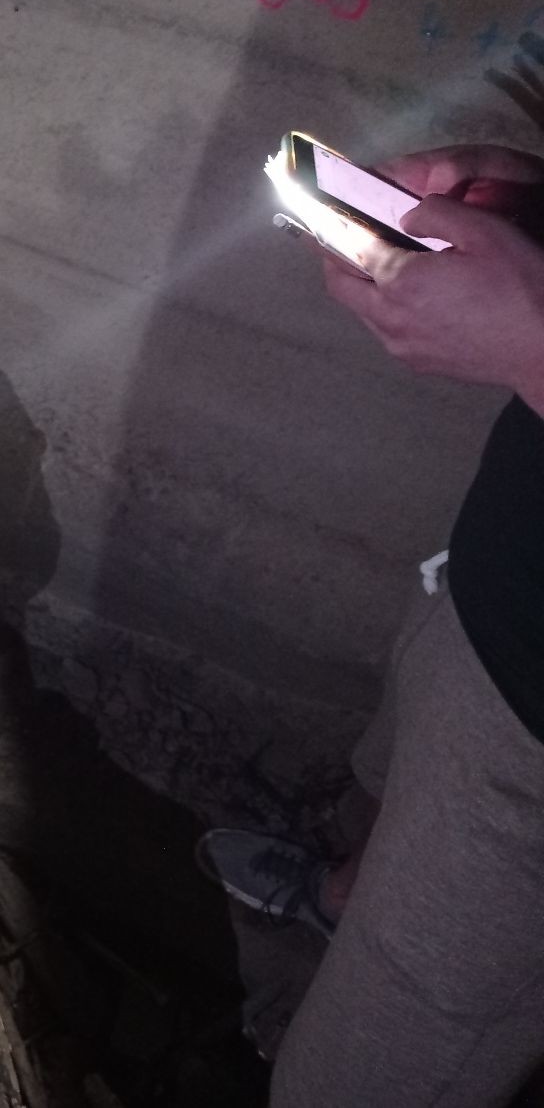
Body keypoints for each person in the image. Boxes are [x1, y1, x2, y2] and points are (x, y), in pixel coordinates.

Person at [198, 144, 544, 1106]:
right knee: (392, 787)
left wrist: (536, 344)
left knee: (364, 1073)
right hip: (497, 577)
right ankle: (335, 902)